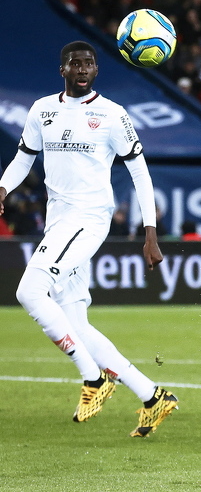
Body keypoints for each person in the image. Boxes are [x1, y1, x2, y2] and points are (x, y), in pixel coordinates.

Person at [0, 41, 178, 437]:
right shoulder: (42, 110)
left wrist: (150, 233)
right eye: (74, 63)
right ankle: (152, 396)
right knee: (76, 323)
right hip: (59, 220)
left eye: (88, 64)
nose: (81, 69)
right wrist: (2, 188)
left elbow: (140, 174)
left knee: (30, 292)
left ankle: (94, 379)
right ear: (61, 69)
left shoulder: (113, 115)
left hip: (89, 218)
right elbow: (24, 158)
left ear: (96, 70)